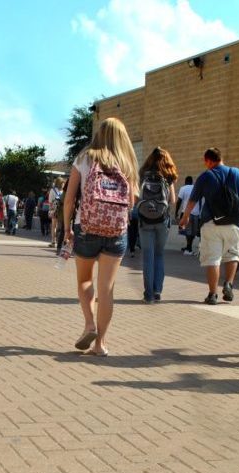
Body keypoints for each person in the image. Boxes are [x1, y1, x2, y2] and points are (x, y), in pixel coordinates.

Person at [64, 118, 138, 357]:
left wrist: (67, 228)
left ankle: (89, 324)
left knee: (85, 280)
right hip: (116, 231)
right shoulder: (127, 163)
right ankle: (101, 344)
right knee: (107, 288)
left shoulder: (85, 157)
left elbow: (69, 197)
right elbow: (131, 203)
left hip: (86, 226)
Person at [179, 148, 239, 305]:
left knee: (213, 258)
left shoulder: (206, 176)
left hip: (211, 223)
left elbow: (192, 200)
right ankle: (229, 284)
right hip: (234, 223)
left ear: (208, 161)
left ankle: (212, 294)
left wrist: (185, 217)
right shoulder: (237, 173)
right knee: (232, 255)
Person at [136, 147, 178, 303]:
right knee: (159, 255)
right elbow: (173, 200)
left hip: (145, 220)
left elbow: (136, 197)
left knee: (148, 256)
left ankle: (148, 294)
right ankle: (157, 291)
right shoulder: (168, 175)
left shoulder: (142, 174)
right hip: (162, 220)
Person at [175, 176, 197, 255]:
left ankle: (188, 249)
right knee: (192, 232)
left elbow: (179, 201)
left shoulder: (183, 188)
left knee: (187, 231)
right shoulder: (196, 188)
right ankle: (188, 247)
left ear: (185, 181)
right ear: (192, 182)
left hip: (186, 212)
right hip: (196, 213)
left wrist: (176, 212)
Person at [48, 177, 64, 247]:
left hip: (54, 210)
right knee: (61, 226)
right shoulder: (64, 191)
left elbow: (50, 201)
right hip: (62, 210)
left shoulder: (53, 190)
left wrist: (51, 209)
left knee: (54, 226)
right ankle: (60, 241)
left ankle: (53, 241)